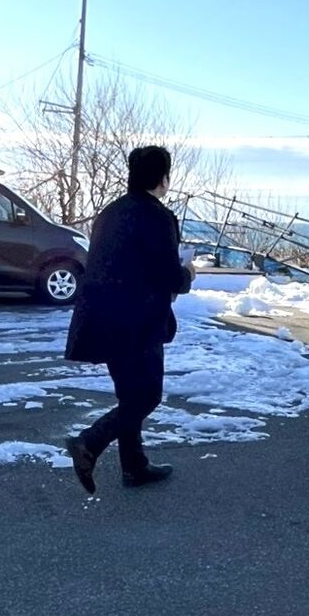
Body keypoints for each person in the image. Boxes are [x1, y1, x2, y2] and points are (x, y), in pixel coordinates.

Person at [64, 145, 194, 493]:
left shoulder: (110, 213)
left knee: (130, 394)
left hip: (101, 317)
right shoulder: (157, 216)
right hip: (137, 320)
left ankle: (134, 466)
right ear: (163, 178)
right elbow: (168, 275)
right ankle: (88, 442)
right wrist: (188, 274)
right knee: (147, 395)